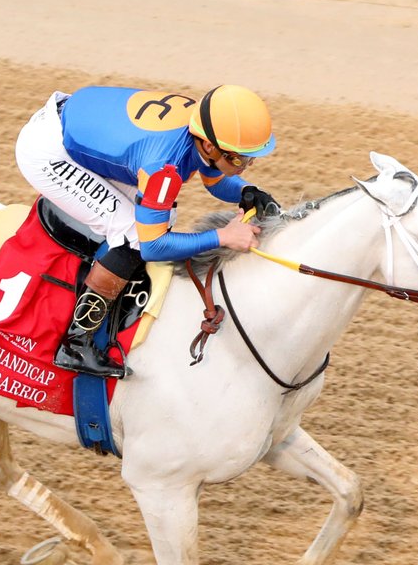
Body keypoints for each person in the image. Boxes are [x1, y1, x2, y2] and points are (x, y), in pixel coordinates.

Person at [14, 83, 280, 379]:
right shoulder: (163, 166)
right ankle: (76, 343)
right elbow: (152, 247)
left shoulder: (201, 127)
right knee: (133, 236)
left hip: (81, 122)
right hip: (51, 151)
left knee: (162, 216)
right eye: (240, 158)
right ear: (208, 145)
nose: (247, 164)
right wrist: (223, 237)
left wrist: (247, 191)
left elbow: (213, 177)